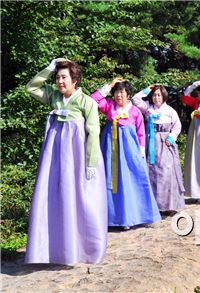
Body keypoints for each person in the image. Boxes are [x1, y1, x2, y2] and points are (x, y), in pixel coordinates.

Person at [25, 58, 107, 264]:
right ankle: (55, 249)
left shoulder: (86, 102)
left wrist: (90, 163)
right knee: (54, 198)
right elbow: (31, 87)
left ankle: (82, 250)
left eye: (64, 77)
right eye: (58, 77)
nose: (60, 81)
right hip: (55, 160)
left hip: (77, 160)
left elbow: (93, 133)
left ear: (75, 80)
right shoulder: (54, 98)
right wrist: (50, 66)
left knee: (80, 201)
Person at [91, 78, 161, 228]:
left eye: (122, 92)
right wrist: (109, 85)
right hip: (110, 150)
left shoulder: (135, 112)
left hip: (130, 152)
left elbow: (141, 132)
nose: (119, 95)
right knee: (111, 179)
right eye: (116, 92)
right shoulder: (109, 106)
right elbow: (93, 99)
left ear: (128, 94)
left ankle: (138, 216)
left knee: (133, 180)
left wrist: (141, 152)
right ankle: (113, 219)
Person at [131, 84, 185, 213]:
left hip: (165, 144)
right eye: (154, 95)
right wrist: (147, 89)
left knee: (166, 172)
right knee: (152, 173)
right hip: (151, 144)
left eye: (159, 95)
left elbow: (177, 125)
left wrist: (171, 137)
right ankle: (154, 205)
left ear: (164, 96)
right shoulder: (148, 109)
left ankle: (169, 205)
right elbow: (135, 99)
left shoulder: (170, 111)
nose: (156, 98)